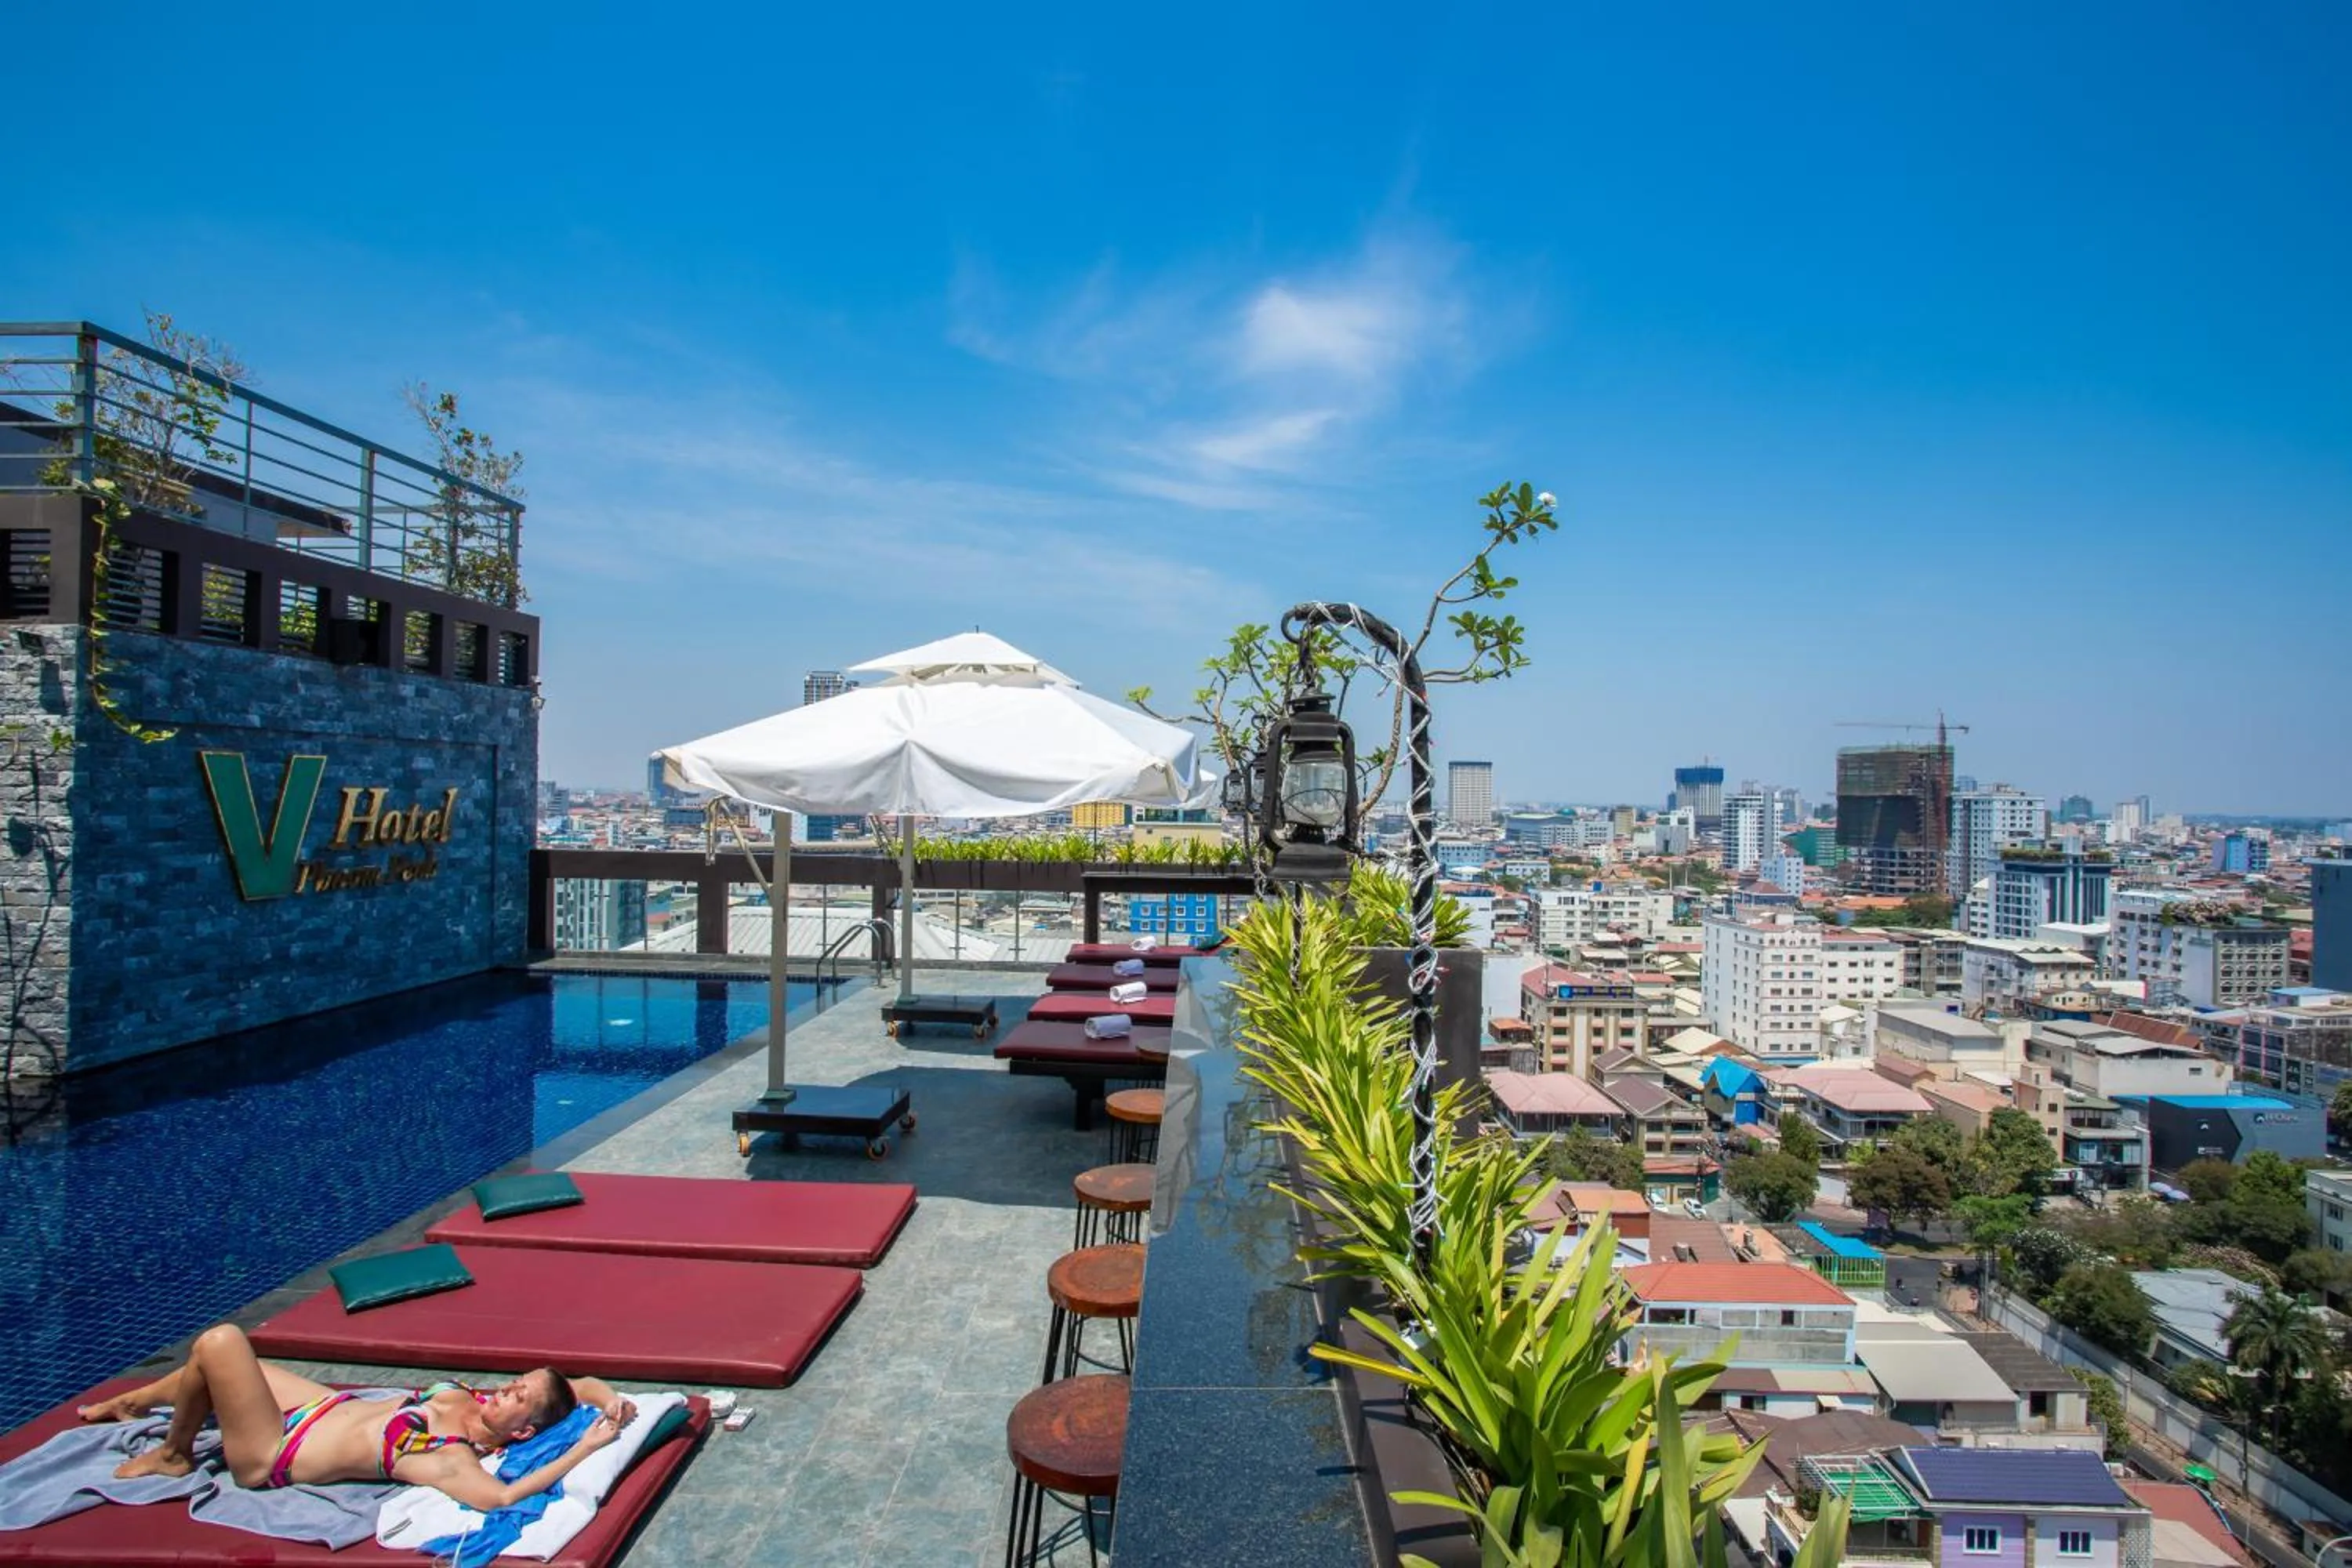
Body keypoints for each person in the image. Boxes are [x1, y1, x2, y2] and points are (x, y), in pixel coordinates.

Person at [76, 1323, 634, 1511]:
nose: (505, 1388)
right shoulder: (478, 1401)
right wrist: (610, 1401)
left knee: (222, 1343)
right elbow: (577, 1386)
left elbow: (501, 1499)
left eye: (516, 1396)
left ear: (525, 1431)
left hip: (276, 1451)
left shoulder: (449, 1455)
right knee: (243, 1365)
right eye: (516, 1381)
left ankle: (175, 1455)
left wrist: (586, 1447)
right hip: (322, 1409)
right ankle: (137, 1402)